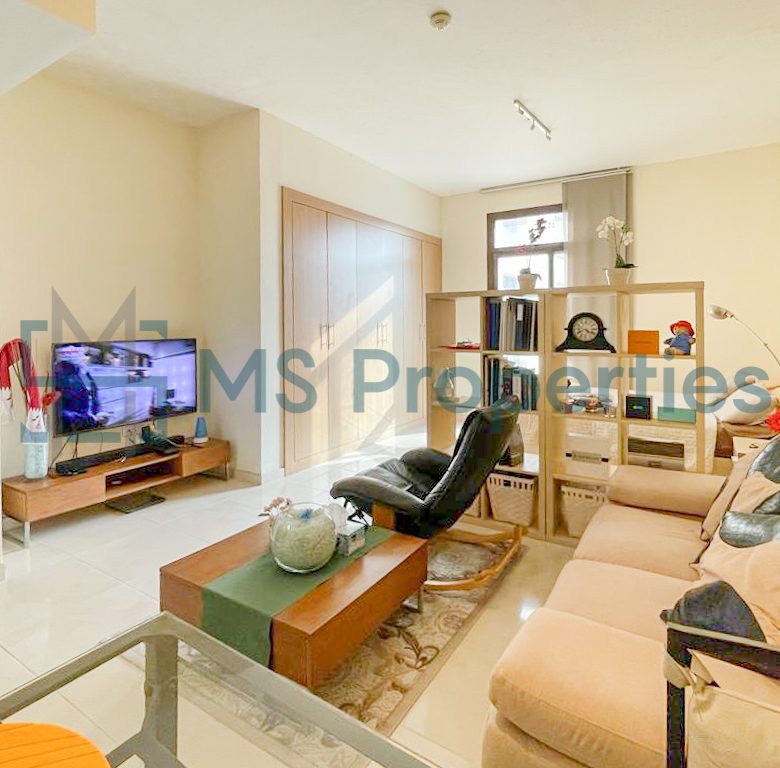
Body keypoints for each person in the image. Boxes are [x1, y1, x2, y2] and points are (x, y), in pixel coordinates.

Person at [54, 346, 110, 432]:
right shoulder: (60, 376)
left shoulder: (83, 371)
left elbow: (94, 396)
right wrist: (92, 420)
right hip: (73, 431)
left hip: (86, 427)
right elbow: (59, 413)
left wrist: (98, 413)